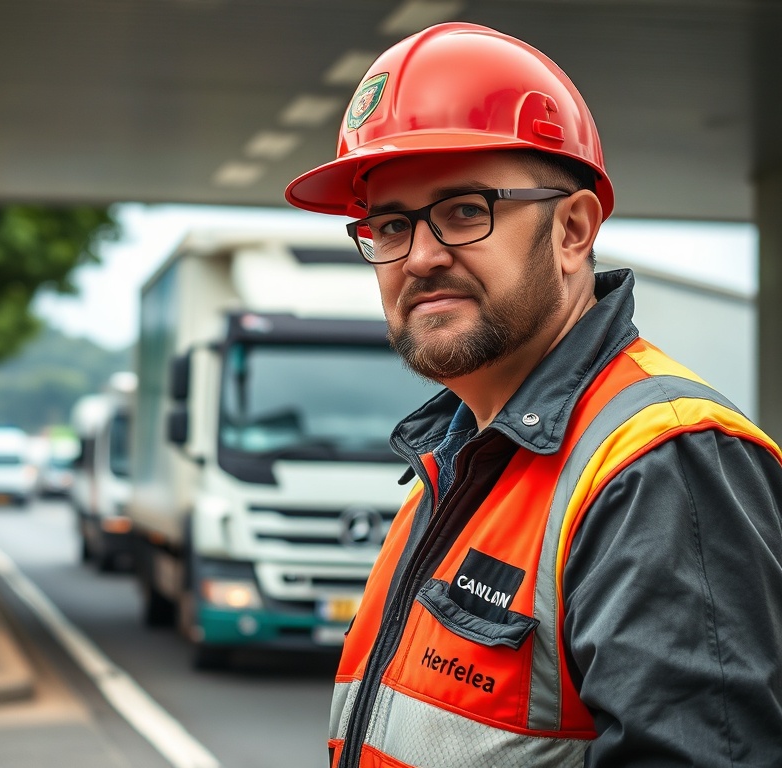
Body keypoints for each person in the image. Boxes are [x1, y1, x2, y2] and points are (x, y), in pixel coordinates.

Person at [285, 22, 782, 767]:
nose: (420, 256)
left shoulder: (657, 465)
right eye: (390, 225)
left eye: (463, 211)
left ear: (574, 230)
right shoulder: (452, 462)